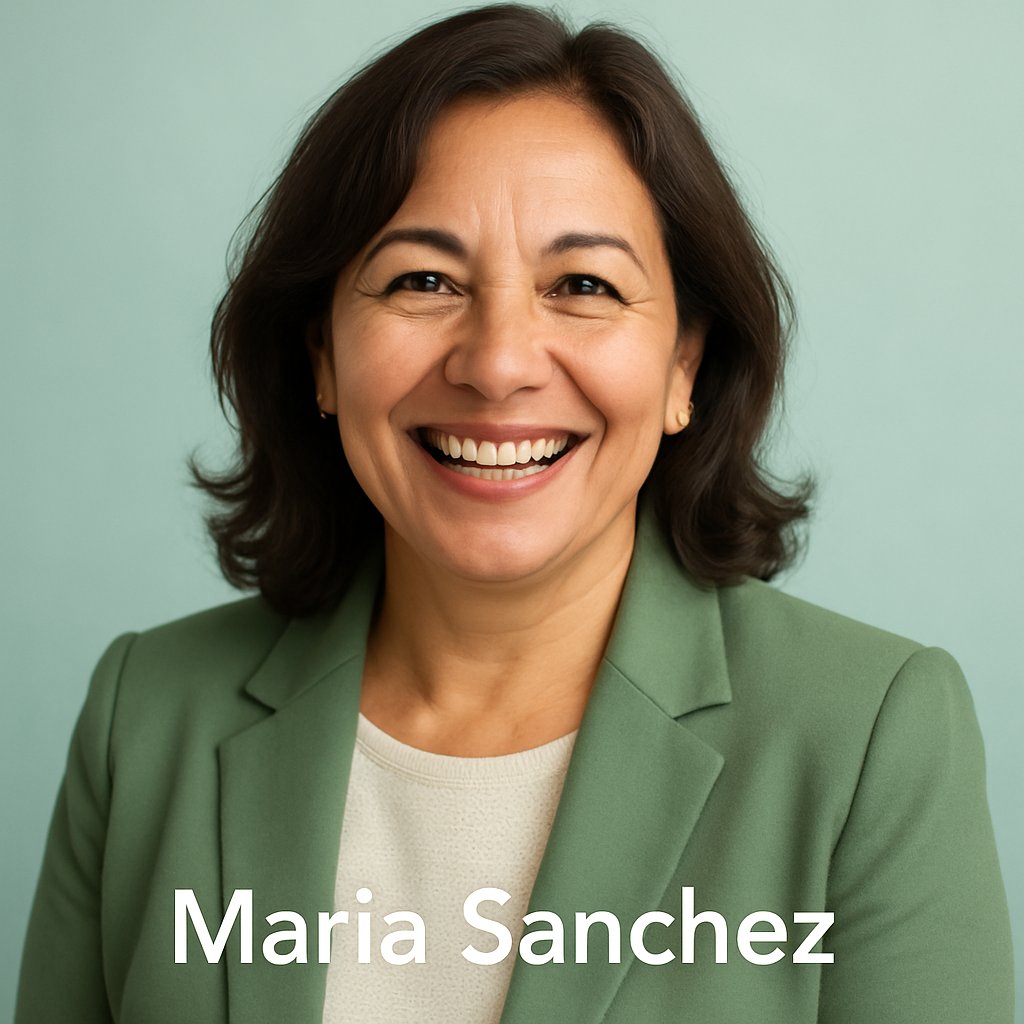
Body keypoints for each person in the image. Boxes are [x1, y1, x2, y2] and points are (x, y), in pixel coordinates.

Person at [15, 5, 1013, 1022]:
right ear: (321, 355)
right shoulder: (145, 717)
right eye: (423, 280)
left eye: (582, 284)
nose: (496, 364)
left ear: (684, 366)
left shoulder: (867, 738)